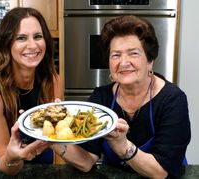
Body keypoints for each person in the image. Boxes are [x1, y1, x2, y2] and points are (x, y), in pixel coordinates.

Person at [79, 15, 191, 178]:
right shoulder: (101, 97)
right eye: (116, 55)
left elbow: (160, 172)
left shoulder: (173, 100)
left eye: (133, 53)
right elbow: (87, 160)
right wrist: (51, 139)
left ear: (150, 60)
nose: (123, 62)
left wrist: (122, 145)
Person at [0, 7, 64, 175]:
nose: (33, 45)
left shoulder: (53, 81)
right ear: (7, 44)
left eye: (38, 36)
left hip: (42, 168)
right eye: (21, 38)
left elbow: (52, 135)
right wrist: (13, 158)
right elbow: (4, 161)